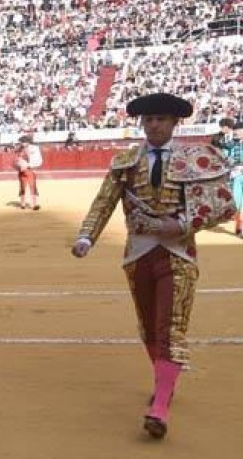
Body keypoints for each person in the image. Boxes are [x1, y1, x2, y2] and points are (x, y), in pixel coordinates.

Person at [72, 93, 236, 439]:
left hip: (178, 254)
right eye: (148, 120)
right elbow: (104, 202)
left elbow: (223, 204)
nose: (154, 125)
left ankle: (159, 406)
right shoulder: (126, 162)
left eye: (161, 118)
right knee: (149, 327)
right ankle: (166, 383)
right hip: (138, 254)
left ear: (176, 122)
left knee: (170, 328)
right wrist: (87, 237)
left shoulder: (196, 159)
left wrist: (182, 224)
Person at [14, 136, 42, 210]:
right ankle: (22, 204)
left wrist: (29, 165)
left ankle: (34, 204)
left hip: (30, 170)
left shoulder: (34, 148)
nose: (22, 143)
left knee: (32, 187)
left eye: (23, 142)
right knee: (22, 187)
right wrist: (18, 165)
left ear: (27, 142)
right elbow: (16, 159)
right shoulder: (19, 149)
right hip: (22, 170)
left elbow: (38, 160)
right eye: (21, 142)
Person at [227, 121, 243, 237]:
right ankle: (239, 227)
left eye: (239, 130)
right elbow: (226, 158)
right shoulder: (231, 143)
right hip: (236, 174)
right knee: (237, 202)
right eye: (235, 130)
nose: (236, 132)